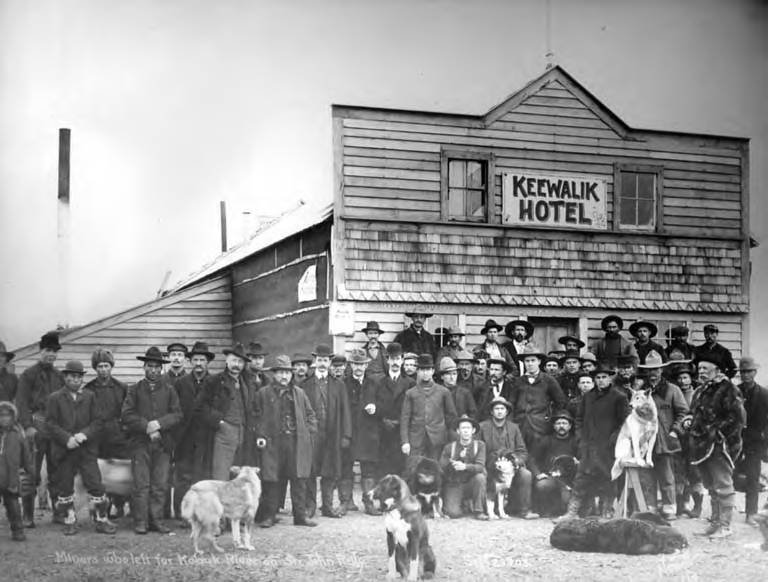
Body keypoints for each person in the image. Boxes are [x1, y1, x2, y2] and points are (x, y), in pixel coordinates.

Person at [46, 360, 116, 535]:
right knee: (65, 486)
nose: (75, 380)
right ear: (65, 377)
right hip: (65, 450)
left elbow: (98, 421)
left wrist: (84, 434)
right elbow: (50, 424)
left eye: (79, 377)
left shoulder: (90, 396)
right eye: (72, 377)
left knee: (95, 484)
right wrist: (66, 438)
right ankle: (69, 520)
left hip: (86, 449)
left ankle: (101, 519)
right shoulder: (55, 398)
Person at [121, 347, 182, 535]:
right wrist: (147, 426)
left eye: (157, 367)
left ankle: (157, 520)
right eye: (150, 366)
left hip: (163, 445)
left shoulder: (170, 390)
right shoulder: (134, 390)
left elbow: (178, 415)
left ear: (161, 369)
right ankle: (141, 521)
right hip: (140, 444)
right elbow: (126, 415)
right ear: (144, 367)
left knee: (160, 484)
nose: (153, 370)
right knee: (141, 484)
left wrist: (159, 424)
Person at [558, 364, 629, 521]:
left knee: (608, 479)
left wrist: (614, 440)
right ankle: (572, 512)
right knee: (581, 478)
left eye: (604, 377)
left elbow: (624, 423)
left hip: (608, 447)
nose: (601, 380)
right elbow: (578, 419)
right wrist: (580, 438)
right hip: (589, 446)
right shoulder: (588, 396)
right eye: (598, 377)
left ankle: (607, 511)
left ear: (610, 378)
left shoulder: (619, 397)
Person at [254, 355, 317, 528]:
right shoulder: (263, 394)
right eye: (281, 372)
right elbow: (256, 417)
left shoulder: (299, 393)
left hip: (295, 443)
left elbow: (311, 415)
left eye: (287, 373)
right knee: (272, 480)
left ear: (291, 375)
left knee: (299, 481)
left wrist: (308, 433)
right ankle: (269, 516)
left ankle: (300, 516)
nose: (284, 376)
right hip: (273, 443)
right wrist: (260, 435)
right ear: (274, 374)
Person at [689, 352, 745, 539]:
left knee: (723, 484)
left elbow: (737, 418)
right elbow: (694, 413)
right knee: (711, 485)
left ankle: (725, 525)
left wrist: (717, 434)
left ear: (717, 370)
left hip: (720, 445)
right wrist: (689, 422)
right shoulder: (701, 390)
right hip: (702, 445)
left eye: (705, 368)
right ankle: (714, 523)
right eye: (700, 369)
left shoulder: (728, 389)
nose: (701, 372)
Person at [15, 330, 65, 527]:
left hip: (54, 429)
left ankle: (59, 514)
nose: (51, 354)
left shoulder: (59, 376)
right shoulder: (28, 374)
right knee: (31, 473)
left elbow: (63, 403)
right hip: (35, 427)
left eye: (54, 351)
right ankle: (27, 515)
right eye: (47, 350)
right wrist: (27, 426)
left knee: (56, 472)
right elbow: (21, 402)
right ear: (40, 350)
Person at [636, 351, 689, 520]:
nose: (653, 374)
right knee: (647, 475)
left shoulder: (673, 390)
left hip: (665, 440)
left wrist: (674, 430)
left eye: (656, 370)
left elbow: (683, 413)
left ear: (662, 371)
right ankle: (651, 507)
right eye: (650, 370)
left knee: (667, 475)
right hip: (646, 440)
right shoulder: (641, 391)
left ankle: (669, 508)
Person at [302, 344, 351, 518]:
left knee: (330, 471)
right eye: (320, 360)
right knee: (310, 471)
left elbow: (345, 412)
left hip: (332, 434)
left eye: (326, 360)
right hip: (311, 435)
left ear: (330, 362)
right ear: (315, 361)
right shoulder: (305, 385)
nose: (322, 363)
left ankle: (328, 506)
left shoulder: (338, 385)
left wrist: (346, 435)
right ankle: (310, 507)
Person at [82, 348, 130, 518]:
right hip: (97, 438)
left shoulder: (121, 388)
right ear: (95, 368)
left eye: (106, 366)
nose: (103, 369)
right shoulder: (88, 389)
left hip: (117, 437)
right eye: (100, 366)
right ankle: (102, 506)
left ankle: (119, 504)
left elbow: (127, 411)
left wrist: (122, 430)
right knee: (100, 474)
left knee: (118, 473)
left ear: (111, 367)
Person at [198, 343, 257, 481]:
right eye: (234, 360)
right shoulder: (214, 381)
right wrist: (220, 422)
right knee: (221, 477)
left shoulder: (247, 383)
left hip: (243, 435)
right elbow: (201, 407)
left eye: (240, 361)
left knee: (239, 479)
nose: (237, 364)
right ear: (226, 360)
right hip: (223, 434)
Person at [172, 341, 214, 526]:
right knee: (183, 477)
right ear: (190, 362)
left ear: (207, 362)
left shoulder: (214, 382)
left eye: (202, 360)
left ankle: (201, 515)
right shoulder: (180, 383)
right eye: (195, 359)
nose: (198, 363)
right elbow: (175, 410)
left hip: (206, 437)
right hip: (185, 438)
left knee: (203, 477)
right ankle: (183, 515)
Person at [478, 396, 536, 519]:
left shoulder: (514, 428)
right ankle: (482, 510)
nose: (499, 411)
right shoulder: (482, 427)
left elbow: (522, 451)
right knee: (481, 476)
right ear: (491, 412)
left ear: (507, 411)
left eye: (502, 409)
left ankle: (524, 510)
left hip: (510, 466)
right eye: (496, 408)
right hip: (489, 465)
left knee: (526, 474)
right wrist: (485, 464)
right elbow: (478, 449)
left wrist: (516, 461)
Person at [400, 354, 457, 460]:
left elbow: (451, 417)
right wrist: (405, 441)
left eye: (428, 369)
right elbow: (405, 419)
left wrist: (451, 439)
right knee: (414, 468)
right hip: (416, 440)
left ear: (433, 371)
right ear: (417, 371)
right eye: (422, 370)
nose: (425, 373)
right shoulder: (410, 393)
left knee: (436, 469)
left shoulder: (443, 392)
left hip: (437, 439)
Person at [511, 346, 567, 451]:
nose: (530, 364)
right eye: (527, 361)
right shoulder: (518, 381)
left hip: (540, 427)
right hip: (521, 426)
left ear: (539, 362)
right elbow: (511, 403)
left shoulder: (548, 380)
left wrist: (550, 418)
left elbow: (560, 401)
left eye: (533, 360)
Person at [343, 348, 377, 516]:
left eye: (361, 364)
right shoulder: (344, 384)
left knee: (368, 468)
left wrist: (375, 408)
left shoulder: (373, 384)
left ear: (366, 366)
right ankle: (346, 501)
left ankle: (368, 501)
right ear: (351, 365)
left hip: (368, 432)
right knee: (346, 465)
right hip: (350, 430)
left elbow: (382, 405)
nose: (358, 367)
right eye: (355, 364)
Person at [736, 356, 768, 526]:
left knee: (753, 478)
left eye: (749, 371)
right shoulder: (734, 391)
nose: (746, 375)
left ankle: (751, 513)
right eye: (743, 372)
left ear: (755, 372)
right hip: (734, 440)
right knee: (726, 476)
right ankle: (721, 513)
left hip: (755, 442)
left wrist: (764, 439)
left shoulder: (764, 394)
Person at [530, 411, 579, 517]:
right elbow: (532, 459)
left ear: (570, 426)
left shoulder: (575, 441)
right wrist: (538, 474)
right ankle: (547, 510)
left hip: (570, 479)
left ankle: (568, 511)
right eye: (558, 423)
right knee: (542, 485)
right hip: (551, 476)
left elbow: (583, 459)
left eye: (564, 423)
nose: (561, 426)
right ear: (554, 426)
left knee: (568, 498)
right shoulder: (546, 440)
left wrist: (578, 462)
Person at [375, 343, 413, 479]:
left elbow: (412, 410)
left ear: (402, 360)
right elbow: (375, 407)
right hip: (383, 433)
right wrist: (383, 420)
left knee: (400, 471)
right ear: (387, 360)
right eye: (392, 359)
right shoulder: (379, 383)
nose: (395, 362)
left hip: (401, 434)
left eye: (398, 359)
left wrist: (399, 423)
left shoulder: (410, 383)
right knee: (384, 472)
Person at [440, 415, 488, 520]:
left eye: (468, 428)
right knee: (453, 513)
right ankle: (462, 504)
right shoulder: (449, 447)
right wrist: (452, 465)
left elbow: (480, 466)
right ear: (458, 431)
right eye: (463, 428)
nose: (466, 431)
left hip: (472, 483)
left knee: (480, 477)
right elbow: (442, 467)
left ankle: (478, 511)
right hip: (455, 484)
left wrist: (465, 466)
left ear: (473, 430)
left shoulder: (480, 445)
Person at [0, 401, 34, 541]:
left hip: (11, 477)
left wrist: (31, 472)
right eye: (1, 415)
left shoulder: (18, 434)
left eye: (7, 415)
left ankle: (18, 529)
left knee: (13, 505)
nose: (4, 418)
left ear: (13, 417)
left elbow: (26, 456)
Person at [557, 351, 582, 417]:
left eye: (574, 362)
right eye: (568, 363)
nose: (571, 365)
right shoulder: (560, 379)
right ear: (565, 365)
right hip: (563, 411)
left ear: (579, 364)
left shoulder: (584, 378)